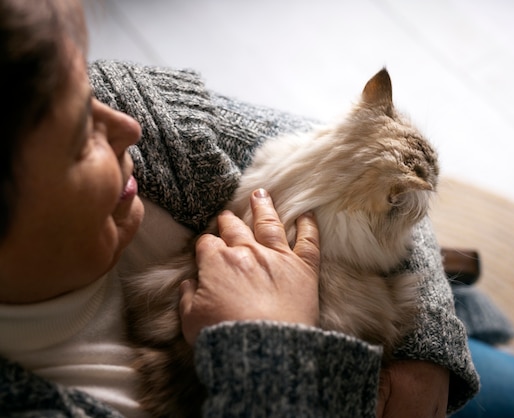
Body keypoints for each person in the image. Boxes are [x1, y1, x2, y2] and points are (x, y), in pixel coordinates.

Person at [0, 0, 479, 416]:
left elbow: (359, 159)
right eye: (81, 138)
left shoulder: (128, 99)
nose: (129, 125)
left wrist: (429, 347)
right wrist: (272, 342)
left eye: (88, 84)